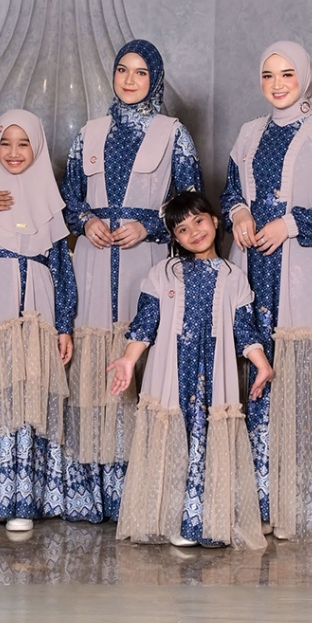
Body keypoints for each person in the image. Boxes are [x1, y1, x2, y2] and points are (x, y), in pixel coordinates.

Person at [220, 42, 312, 541]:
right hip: (252, 268)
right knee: (255, 377)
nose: (277, 84)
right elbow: (231, 191)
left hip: (302, 270)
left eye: (287, 74)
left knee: (301, 384)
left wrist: (290, 224)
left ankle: (304, 507)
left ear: (304, 77)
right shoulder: (248, 133)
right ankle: (258, 502)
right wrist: (239, 214)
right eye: (268, 75)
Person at [61, 40, 203, 522]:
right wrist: (85, 221)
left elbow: (193, 205)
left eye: (140, 72)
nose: (129, 79)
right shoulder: (90, 132)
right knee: (95, 366)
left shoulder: (173, 133)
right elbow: (69, 197)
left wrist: (151, 225)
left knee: (146, 361)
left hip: (149, 262)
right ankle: (91, 495)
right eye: (122, 70)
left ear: (154, 79)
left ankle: (144, 494)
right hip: (94, 261)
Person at [109, 193, 273, 549]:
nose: (193, 232)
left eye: (199, 221)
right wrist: (127, 359)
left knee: (208, 439)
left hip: (214, 372)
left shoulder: (234, 276)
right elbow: (146, 323)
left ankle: (207, 520)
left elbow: (245, 330)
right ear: (175, 238)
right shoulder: (163, 272)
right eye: (182, 229)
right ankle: (174, 519)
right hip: (173, 370)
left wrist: (262, 365)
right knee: (175, 438)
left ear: (215, 220)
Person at [0, 110, 76, 532]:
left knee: (32, 391)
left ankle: (26, 500)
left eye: (24, 143)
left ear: (37, 147)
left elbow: (62, 267)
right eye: (5, 143)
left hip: (39, 309)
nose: (13, 152)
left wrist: (65, 325)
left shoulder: (50, 197)